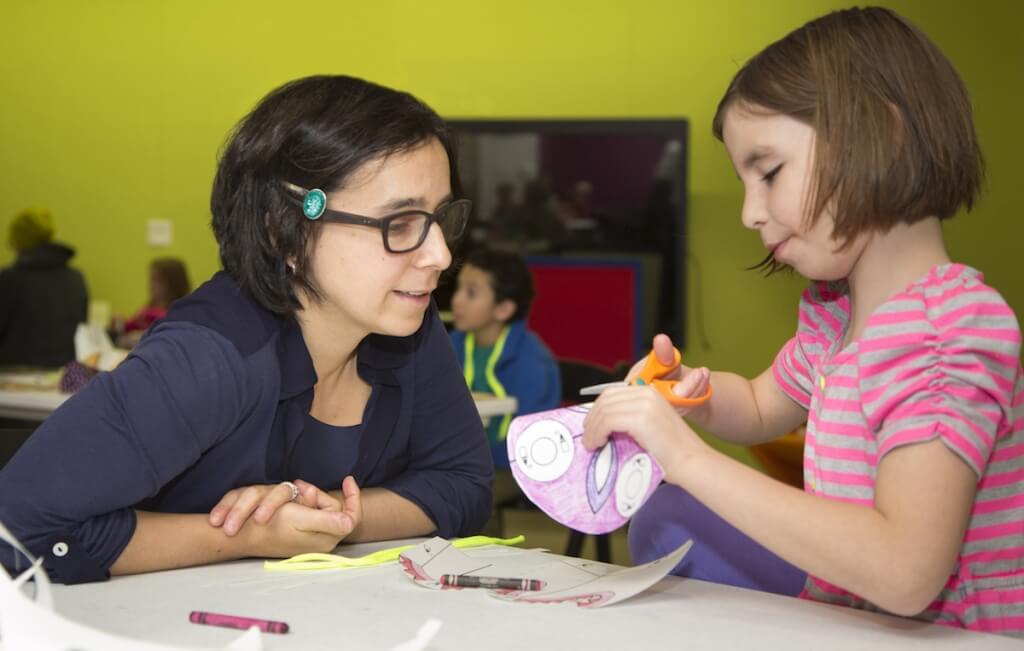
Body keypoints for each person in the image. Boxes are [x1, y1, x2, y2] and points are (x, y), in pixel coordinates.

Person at [583, 7, 1022, 637]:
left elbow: (907, 571)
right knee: (668, 516)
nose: (749, 213)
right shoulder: (834, 315)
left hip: (950, 632)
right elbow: (761, 406)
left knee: (683, 494)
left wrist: (686, 457)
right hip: (859, 607)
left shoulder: (945, 332)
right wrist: (693, 395)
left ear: (882, 138)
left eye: (769, 173)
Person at [0, 75, 493, 584]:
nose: (441, 255)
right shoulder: (209, 357)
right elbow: (17, 528)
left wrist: (331, 515)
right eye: (402, 223)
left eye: (440, 218)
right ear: (284, 230)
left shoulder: (406, 324)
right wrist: (250, 535)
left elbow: (465, 485)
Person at [449, 248, 562, 466]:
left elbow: (532, 442)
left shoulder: (534, 362)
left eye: (471, 293)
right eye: (458, 288)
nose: (457, 300)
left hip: (508, 469)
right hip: (458, 465)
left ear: (503, 309)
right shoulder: (451, 344)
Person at [0, 208, 88, 367]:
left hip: (14, 376)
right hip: (64, 377)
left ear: (18, 241)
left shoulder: (9, 280)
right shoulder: (75, 278)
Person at [112, 257, 191, 348]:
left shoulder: (179, 312)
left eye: (157, 281)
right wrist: (121, 323)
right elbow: (131, 327)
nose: (151, 285)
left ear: (173, 284)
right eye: (151, 279)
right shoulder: (148, 308)